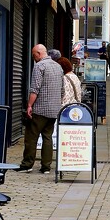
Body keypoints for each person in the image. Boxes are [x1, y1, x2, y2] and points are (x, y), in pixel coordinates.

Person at [18, 44, 64, 175]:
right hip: (54, 109)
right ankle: (46, 167)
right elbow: (62, 90)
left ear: (38, 53)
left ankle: (27, 164)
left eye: (34, 55)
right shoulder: (58, 66)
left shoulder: (39, 66)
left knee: (31, 137)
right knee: (47, 137)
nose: (34, 58)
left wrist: (29, 105)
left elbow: (34, 89)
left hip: (40, 109)